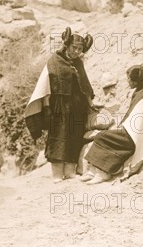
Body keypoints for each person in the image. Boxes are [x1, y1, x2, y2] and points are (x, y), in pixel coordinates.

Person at [24, 27, 97, 183]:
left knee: (74, 136)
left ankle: (70, 171)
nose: (77, 51)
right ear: (67, 45)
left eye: (80, 49)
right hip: (59, 106)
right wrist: (46, 107)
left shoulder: (78, 63)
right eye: (74, 48)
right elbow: (44, 85)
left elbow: (84, 84)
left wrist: (90, 103)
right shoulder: (54, 61)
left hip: (77, 107)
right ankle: (57, 174)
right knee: (58, 137)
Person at [82, 63, 143, 184]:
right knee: (105, 135)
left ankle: (103, 173)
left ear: (135, 81)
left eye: (129, 80)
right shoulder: (141, 91)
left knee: (102, 136)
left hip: (135, 137)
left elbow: (140, 124)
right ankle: (93, 171)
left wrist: (122, 128)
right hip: (132, 131)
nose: (128, 82)